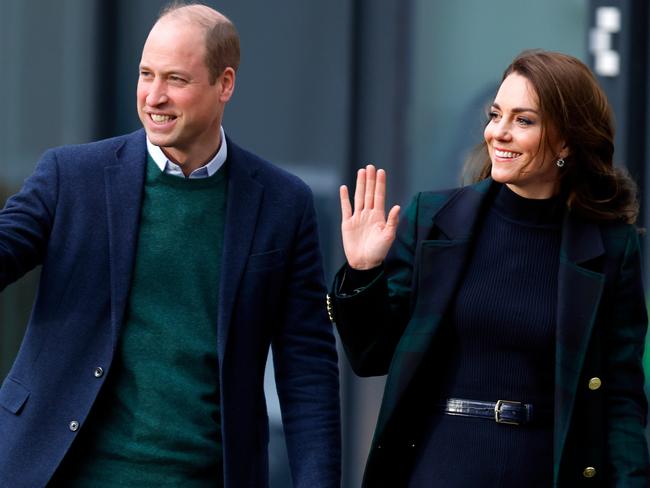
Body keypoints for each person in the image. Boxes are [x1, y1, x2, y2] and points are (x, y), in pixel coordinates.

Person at [0, 3, 340, 487]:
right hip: (60, 471)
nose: (153, 97)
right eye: (145, 74)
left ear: (225, 84)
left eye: (176, 80)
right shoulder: (71, 177)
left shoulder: (283, 205)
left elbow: (308, 370)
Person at [327, 50, 650, 487]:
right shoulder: (435, 220)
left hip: (544, 472)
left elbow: (621, 398)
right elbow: (371, 356)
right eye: (496, 115)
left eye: (524, 120)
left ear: (567, 141)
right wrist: (364, 272)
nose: (499, 132)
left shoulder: (610, 247)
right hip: (438, 469)